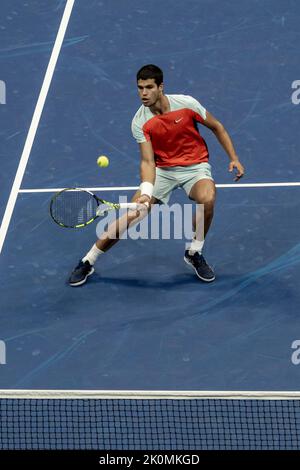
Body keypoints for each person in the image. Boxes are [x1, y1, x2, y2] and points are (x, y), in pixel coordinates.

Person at [68, 64, 244, 286]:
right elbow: (148, 161)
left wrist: (233, 157)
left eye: (149, 87)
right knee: (133, 215)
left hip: (195, 167)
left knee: (207, 199)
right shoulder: (140, 122)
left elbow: (217, 126)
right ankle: (88, 261)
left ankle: (194, 252)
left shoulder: (187, 104)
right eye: (140, 88)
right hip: (162, 171)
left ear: (161, 87)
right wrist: (146, 192)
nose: (143, 93)